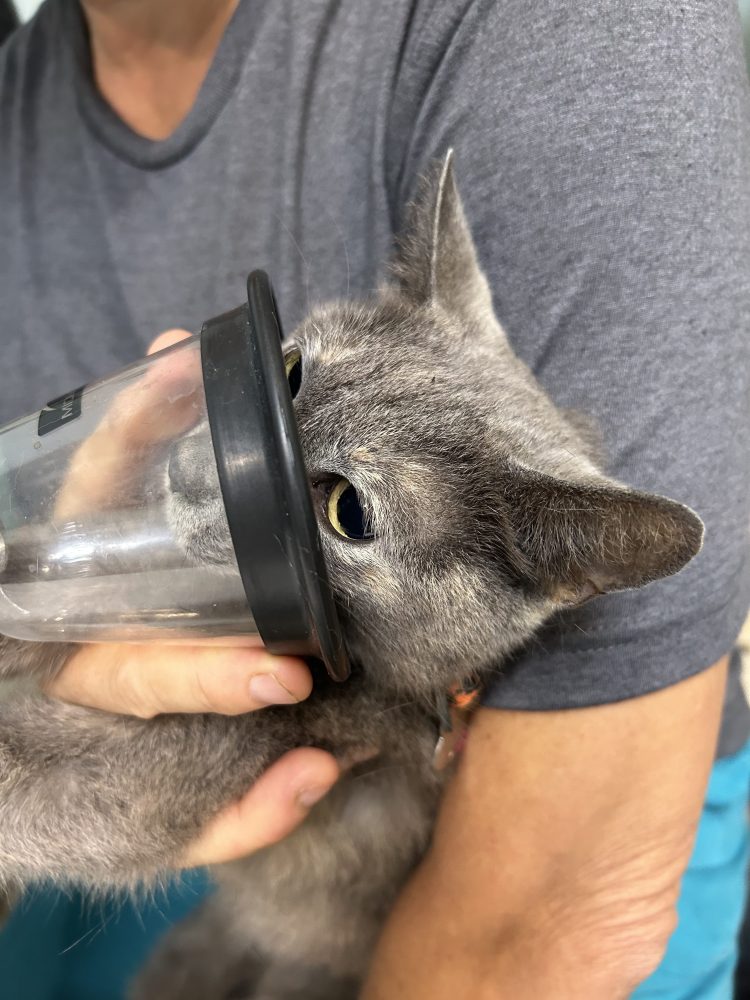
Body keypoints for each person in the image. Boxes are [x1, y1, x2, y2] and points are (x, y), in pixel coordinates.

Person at [0, 1, 748, 996]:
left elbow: (559, 916)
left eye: (349, 508)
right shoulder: (20, 103)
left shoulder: (569, 32)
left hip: (550, 851)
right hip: (198, 858)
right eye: (296, 374)